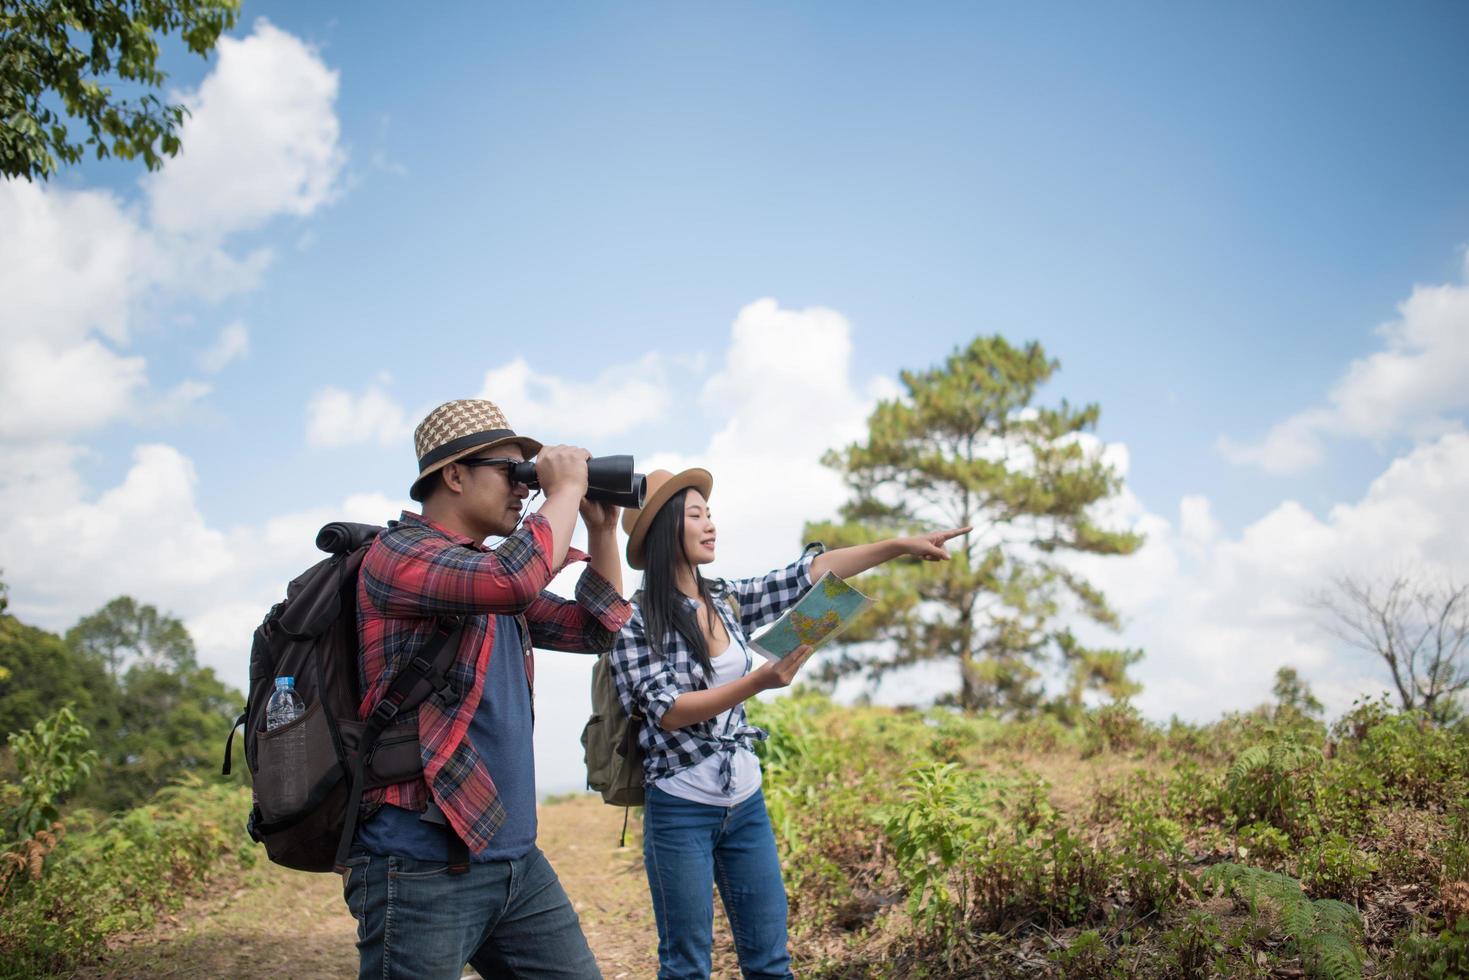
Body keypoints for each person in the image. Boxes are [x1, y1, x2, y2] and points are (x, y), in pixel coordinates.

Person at [610, 468, 968, 979]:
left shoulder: (727, 598)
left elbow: (807, 574)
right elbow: (667, 711)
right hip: (680, 807)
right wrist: (760, 681)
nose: (710, 524)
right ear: (668, 531)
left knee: (771, 961)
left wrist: (898, 545)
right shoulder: (637, 622)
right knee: (687, 966)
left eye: (709, 514)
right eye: (695, 516)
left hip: (745, 802)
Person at [342, 398, 630, 979]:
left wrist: (602, 531)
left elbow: (597, 629)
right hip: (419, 859)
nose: (524, 489)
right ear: (454, 475)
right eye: (511, 472)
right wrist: (565, 489)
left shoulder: (487, 574)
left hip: (513, 858)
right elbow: (513, 579)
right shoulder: (399, 556)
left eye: (531, 476)